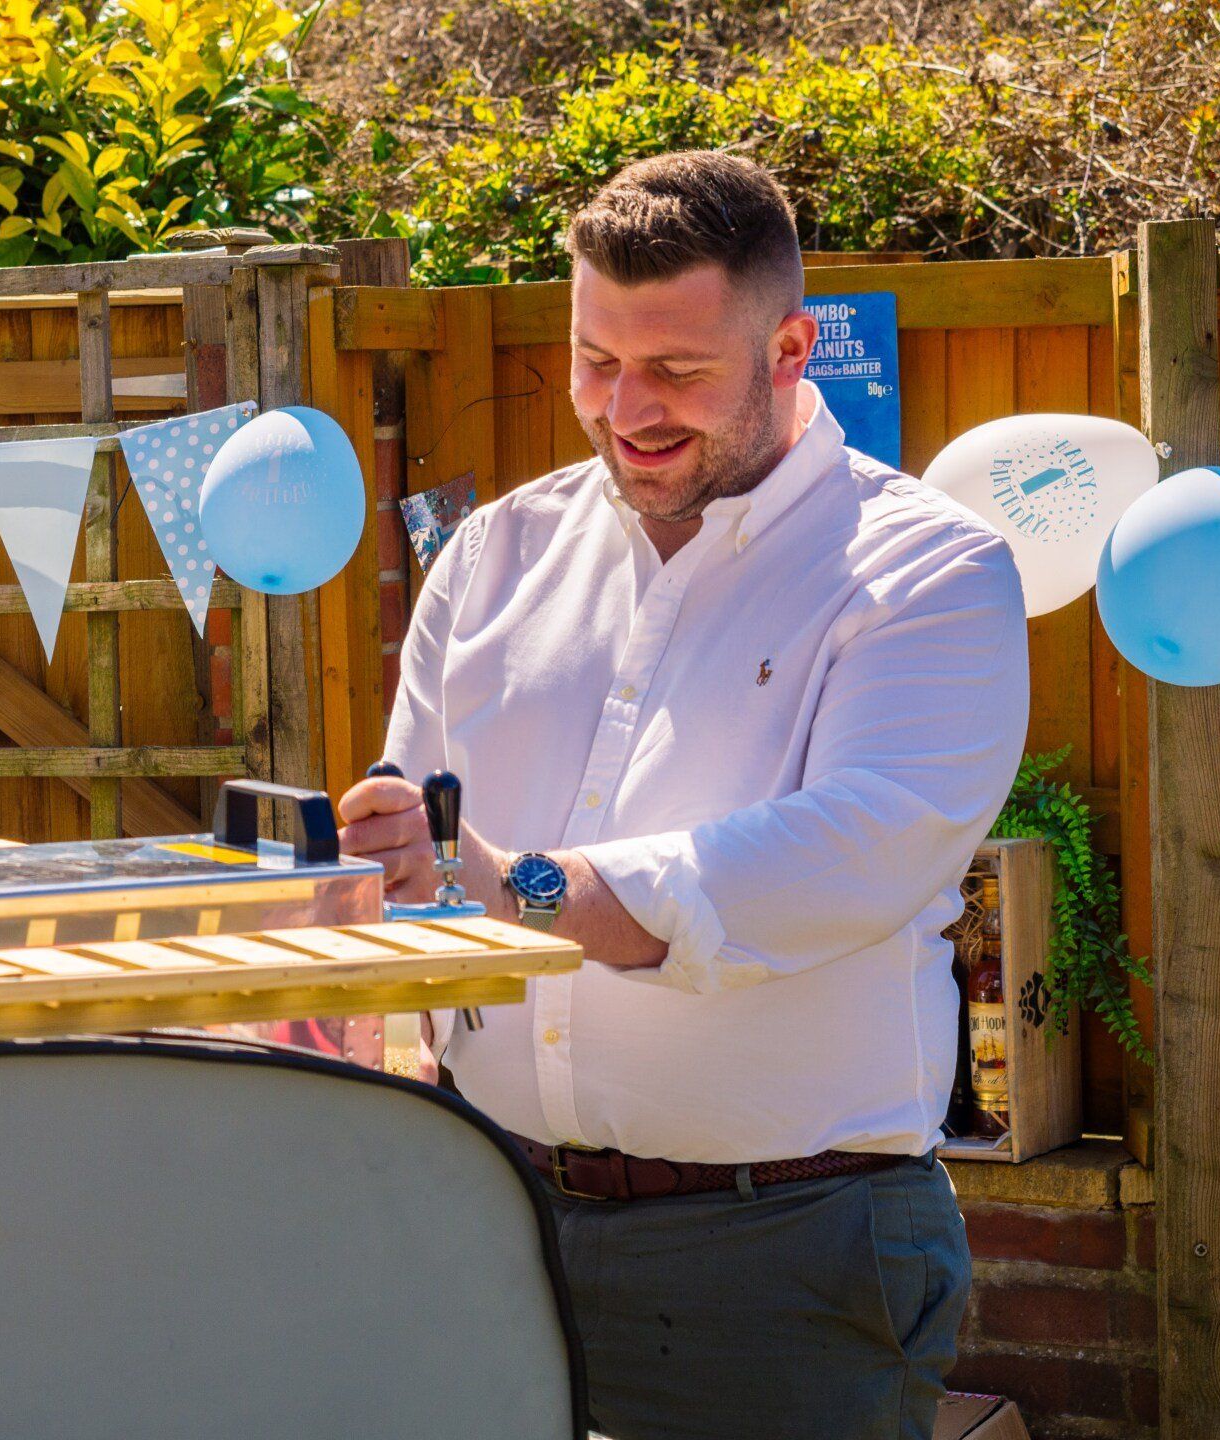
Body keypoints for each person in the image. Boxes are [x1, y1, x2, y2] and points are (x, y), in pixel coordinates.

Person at [338, 151, 1028, 1440]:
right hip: (484, 1218)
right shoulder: (490, 556)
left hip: (785, 1256)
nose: (627, 408)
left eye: (677, 369)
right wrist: (385, 884)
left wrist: (511, 885)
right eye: (596, 361)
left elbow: (836, 860)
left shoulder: (928, 572)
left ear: (791, 349)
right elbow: (426, 873)